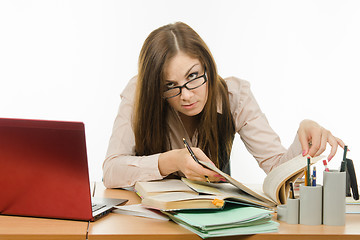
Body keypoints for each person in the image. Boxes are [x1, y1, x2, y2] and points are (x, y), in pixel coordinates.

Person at [102, 22, 345, 188]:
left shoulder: (234, 96)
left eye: (193, 76)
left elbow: (278, 171)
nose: (186, 95)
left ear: (207, 65)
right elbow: (111, 171)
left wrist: (304, 138)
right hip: (149, 224)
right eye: (170, 86)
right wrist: (172, 161)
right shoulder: (139, 92)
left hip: (215, 221)